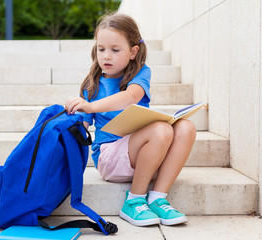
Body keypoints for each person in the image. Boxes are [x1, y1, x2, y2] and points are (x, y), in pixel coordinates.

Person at [65, 13, 196, 227]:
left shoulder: (141, 74)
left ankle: (157, 198)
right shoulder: (92, 86)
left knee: (186, 128)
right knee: (161, 130)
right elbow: (82, 128)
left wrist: (91, 105)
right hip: (110, 157)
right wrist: (77, 113)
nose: (106, 56)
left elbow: (131, 97)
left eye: (115, 50)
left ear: (133, 52)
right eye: (101, 49)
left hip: (146, 153)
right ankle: (134, 200)